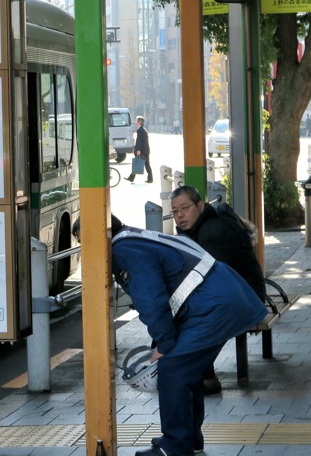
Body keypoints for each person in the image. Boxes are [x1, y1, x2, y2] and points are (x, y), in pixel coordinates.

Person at [109, 214, 267, 456]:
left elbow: (150, 298)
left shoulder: (124, 249)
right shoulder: (135, 236)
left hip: (213, 306)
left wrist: (163, 343)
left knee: (173, 367)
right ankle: (189, 442)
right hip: (220, 298)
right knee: (187, 372)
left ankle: (175, 446)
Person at [170, 185, 268, 395]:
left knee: (195, 315)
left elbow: (210, 279)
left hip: (247, 298)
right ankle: (203, 375)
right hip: (240, 292)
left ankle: (202, 375)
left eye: (185, 208)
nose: (180, 216)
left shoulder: (214, 231)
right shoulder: (202, 227)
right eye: (175, 212)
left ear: (200, 205)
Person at [125, 116, 152, 183]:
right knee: (145, 165)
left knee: (138, 164)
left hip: (142, 151)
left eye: (136, 121)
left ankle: (149, 179)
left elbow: (139, 141)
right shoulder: (143, 129)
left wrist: (138, 150)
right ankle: (132, 177)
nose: (135, 122)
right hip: (145, 151)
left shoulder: (140, 130)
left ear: (140, 122)